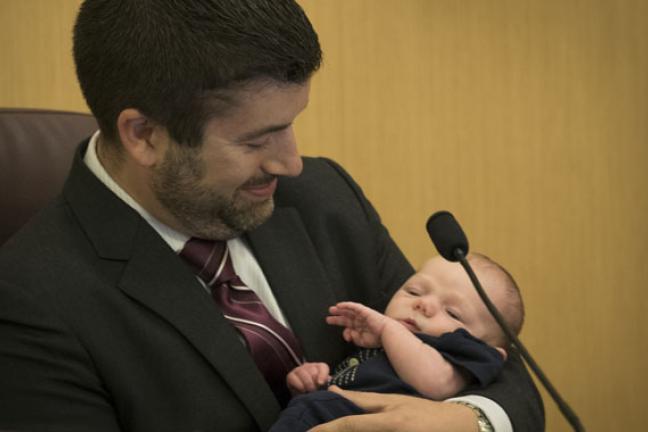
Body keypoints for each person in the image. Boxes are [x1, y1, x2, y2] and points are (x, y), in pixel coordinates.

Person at [0, 1, 543, 431]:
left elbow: (498, 370)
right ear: (144, 136)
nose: (291, 161)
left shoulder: (325, 197)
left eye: (291, 122)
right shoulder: (30, 300)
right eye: (256, 138)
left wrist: (468, 420)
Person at [270, 253, 524, 431]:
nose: (422, 304)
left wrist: (387, 329)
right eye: (414, 291)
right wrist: (313, 381)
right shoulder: (384, 344)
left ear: (489, 353)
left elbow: (436, 382)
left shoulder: (465, 352)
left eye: (453, 313)